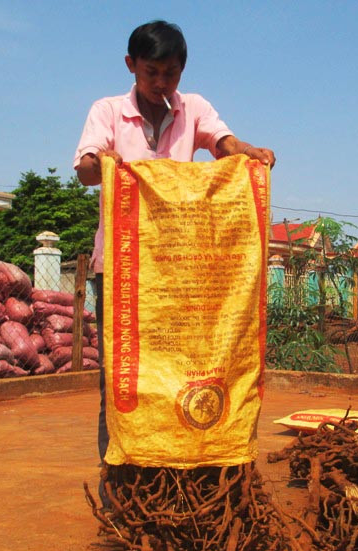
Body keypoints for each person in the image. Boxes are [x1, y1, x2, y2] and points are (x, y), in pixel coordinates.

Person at [73, 20, 275, 472]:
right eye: (152, 72)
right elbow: (85, 170)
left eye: (171, 73)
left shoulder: (194, 108)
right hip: (123, 273)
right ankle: (121, 485)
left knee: (184, 371)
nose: (162, 83)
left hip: (181, 273)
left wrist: (247, 151)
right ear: (131, 65)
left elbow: (224, 144)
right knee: (124, 381)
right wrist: (102, 163)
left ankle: (186, 474)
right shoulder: (107, 111)